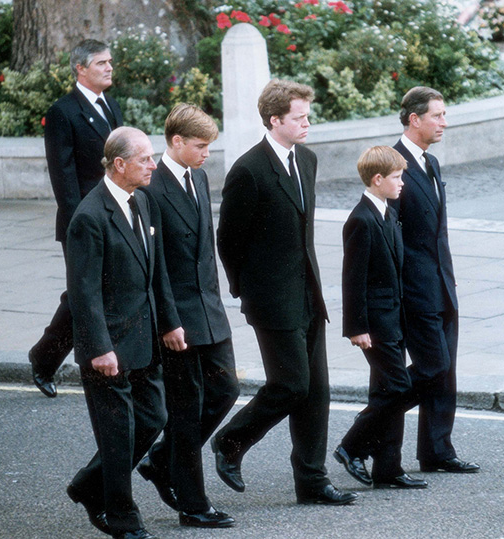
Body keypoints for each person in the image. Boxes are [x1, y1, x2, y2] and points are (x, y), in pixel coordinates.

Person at [213, 79, 357, 506]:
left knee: (317, 391)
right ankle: (232, 442)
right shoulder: (248, 170)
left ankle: (312, 481)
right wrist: (247, 292)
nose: (307, 122)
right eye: (300, 117)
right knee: (292, 383)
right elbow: (228, 241)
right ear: (276, 120)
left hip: (308, 293)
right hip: (271, 299)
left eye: (307, 115)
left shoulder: (306, 160)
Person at [65, 126, 186, 539]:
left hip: (144, 339)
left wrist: (170, 322)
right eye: (145, 159)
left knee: (153, 418)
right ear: (119, 165)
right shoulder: (89, 216)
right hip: (108, 348)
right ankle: (121, 517)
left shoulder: (143, 203)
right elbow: (83, 293)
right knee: (119, 435)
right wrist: (99, 347)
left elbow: (158, 273)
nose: (153, 165)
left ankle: (86, 485)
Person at [137, 104, 239, 528]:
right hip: (176, 317)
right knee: (185, 408)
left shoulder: (197, 175)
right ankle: (193, 506)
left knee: (227, 390)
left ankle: (162, 459)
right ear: (176, 142)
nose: (206, 155)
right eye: (200, 146)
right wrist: (167, 321)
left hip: (208, 311)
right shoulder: (151, 188)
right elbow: (154, 265)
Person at [390, 87, 480, 474]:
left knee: (446, 371)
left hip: (442, 284)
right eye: (437, 115)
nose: (444, 122)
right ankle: (361, 434)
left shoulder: (431, 163)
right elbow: (387, 234)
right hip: (415, 289)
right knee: (433, 368)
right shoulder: (392, 164)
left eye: (444, 115)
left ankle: (437, 451)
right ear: (415, 119)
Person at [29, 38, 123, 398]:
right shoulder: (62, 112)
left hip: (115, 215)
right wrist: (79, 226)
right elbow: (63, 178)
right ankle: (45, 359)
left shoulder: (110, 106)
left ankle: (56, 356)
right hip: (83, 221)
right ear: (80, 69)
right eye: (101, 63)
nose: (109, 67)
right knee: (85, 294)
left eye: (110, 61)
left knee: (95, 292)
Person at [334, 146, 427, 490]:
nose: (402, 183)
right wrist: (356, 327)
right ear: (377, 179)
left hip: (394, 319)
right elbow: (352, 279)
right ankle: (350, 446)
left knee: (387, 390)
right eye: (397, 177)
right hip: (374, 325)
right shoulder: (361, 219)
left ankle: (388, 468)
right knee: (400, 388)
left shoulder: (387, 213)